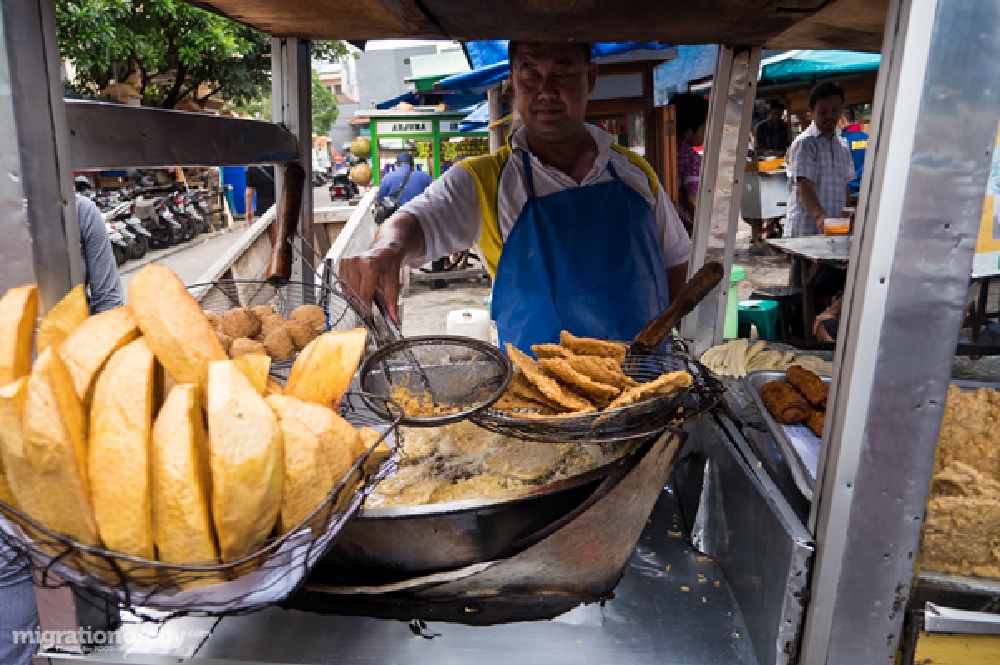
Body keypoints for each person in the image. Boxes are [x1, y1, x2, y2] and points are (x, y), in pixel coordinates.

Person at [340, 41, 691, 353]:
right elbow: (413, 221)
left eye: (564, 74)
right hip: (538, 407)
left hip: (645, 395)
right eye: (530, 75)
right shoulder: (484, 180)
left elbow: (677, 263)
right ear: (513, 82)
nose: (546, 91)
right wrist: (385, 249)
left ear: (591, 76)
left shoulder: (635, 172)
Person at [0, 191, 124, 665]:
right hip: (68, 405)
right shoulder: (76, 209)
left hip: (28, 414)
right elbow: (110, 306)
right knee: (83, 535)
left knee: (12, 557)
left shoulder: (81, 211)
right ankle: (96, 634)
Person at [784, 83, 856, 237]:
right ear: (812, 112)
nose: (830, 116)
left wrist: (846, 216)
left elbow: (845, 185)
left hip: (835, 230)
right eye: (823, 112)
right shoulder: (805, 143)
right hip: (806, 228)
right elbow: (803, 182)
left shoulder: (842, 144)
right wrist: (819, 215)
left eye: (834, 110)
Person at [670, 93, 709, 236]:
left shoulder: (664, 150)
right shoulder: (691, 158)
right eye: (704, 127)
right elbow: (694, 201)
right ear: (689, 132)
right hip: (685, 231)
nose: (705, 132)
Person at [838, 109, 869, 199]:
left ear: (842, 119)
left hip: (849, 192)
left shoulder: (841, 141)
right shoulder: (868, 138)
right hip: (867, 190)